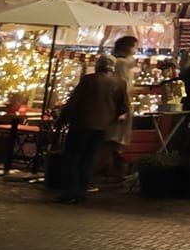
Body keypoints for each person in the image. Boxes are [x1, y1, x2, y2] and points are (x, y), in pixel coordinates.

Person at [56, 57, 129, 205]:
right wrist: (110, 118)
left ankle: (70, 192)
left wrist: (62, 120)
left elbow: (74, 101)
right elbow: (123, 106)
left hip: (81, 124)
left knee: (73, 158)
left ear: (97, 67)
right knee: (89, 160)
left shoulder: (89, 80)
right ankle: (81, 193)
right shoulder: (120, 83)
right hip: (102, 127)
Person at [104, 35, 139, 183]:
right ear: (128, 47)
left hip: (116, 105)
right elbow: (124, 86)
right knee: (115, 139)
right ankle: (117, 170)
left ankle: (113, 170)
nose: (136, 50)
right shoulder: (122, 64)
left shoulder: (118, 62)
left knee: (114, 139)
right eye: (135, 46)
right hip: (120, 106)